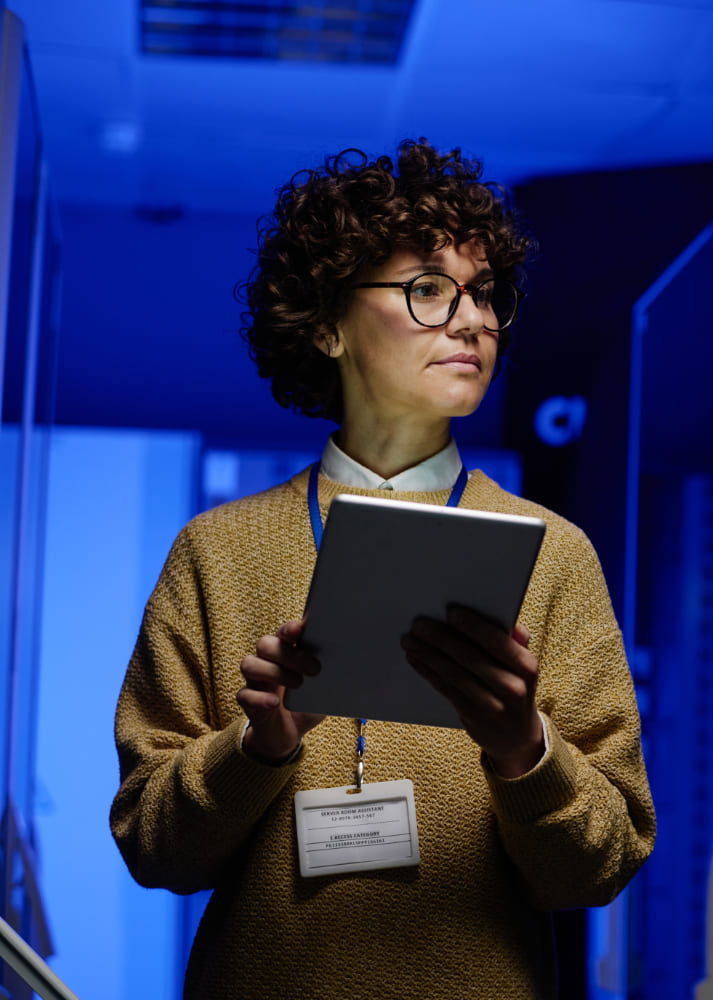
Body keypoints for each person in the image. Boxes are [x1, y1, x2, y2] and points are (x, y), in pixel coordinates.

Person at [109, 139, 655, 999]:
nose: (473, 321)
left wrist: (526, 749)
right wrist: (257, 749)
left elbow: (602, 867)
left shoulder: (554, 550)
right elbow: (152, 847)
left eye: (485, 295)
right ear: (326, 323)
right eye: (429, 290)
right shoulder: (215, 552)